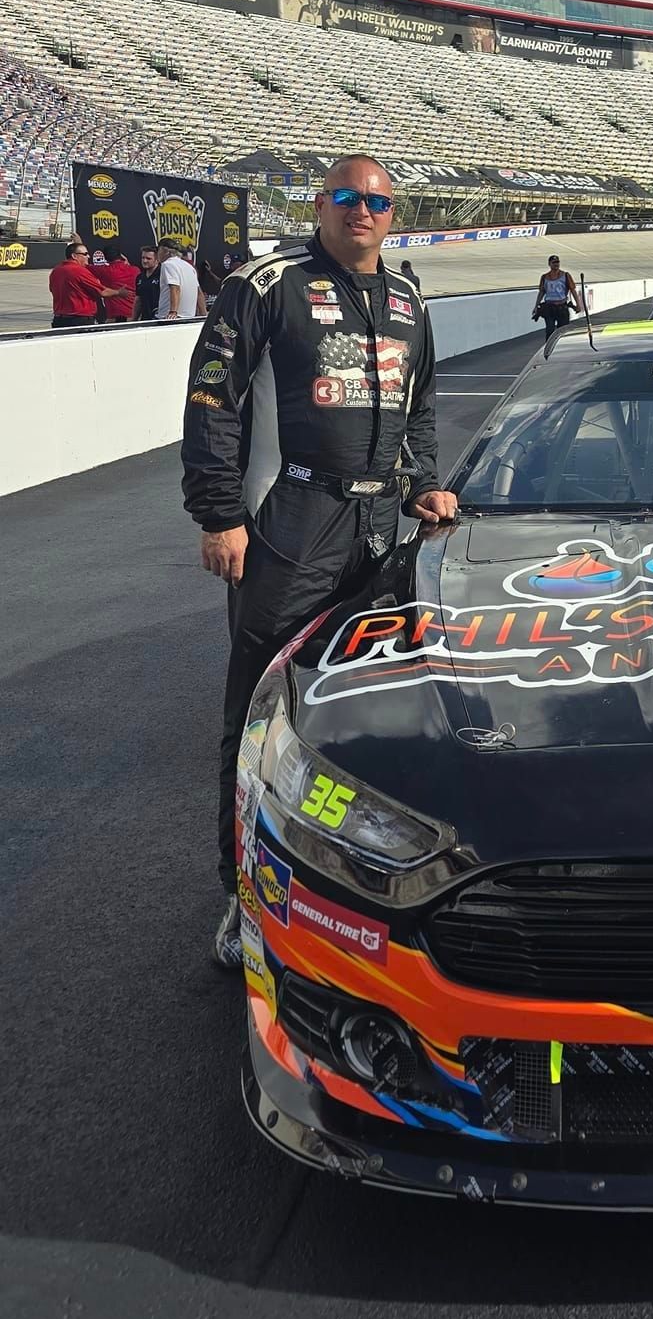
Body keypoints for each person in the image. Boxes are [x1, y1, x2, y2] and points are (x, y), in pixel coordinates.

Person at [182, 154, 456, 970]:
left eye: (375, 200)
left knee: (370, 706)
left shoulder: (407, 299)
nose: (361, 211)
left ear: (393, 213)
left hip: (380, 525)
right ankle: (240, 896)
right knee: (263, 709)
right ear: (321, 204)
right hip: (290, 519)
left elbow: (424, 401)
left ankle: (352, 889)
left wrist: (426, 484)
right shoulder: (266, 286)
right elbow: (212, 399)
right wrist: (220, 515)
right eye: (346, 197)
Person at [48, 241, 129, 328]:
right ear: (74, 256)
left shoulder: (56, 270)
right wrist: (119, 292)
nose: (88, 256)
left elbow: (52, 289)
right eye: (85, 254)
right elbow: (102, 292)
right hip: (78, 321)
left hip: (59, 320)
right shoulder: (79, 271)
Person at [533, 254, 583, 349]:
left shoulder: (566, 275)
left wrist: (578, 304)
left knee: (563, 331)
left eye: (558, 262)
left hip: (562, 307)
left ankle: (563, 349)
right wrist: (536, 306)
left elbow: (573, 290)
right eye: (554, 263)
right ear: (549, 264)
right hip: (549, 308)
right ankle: (549, 349)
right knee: (550, 330)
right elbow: (542, 292)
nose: (556, 264)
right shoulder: (544, 277)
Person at [156, 241, 202, 321]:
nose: (157, 254)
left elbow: (175, 288)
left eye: (158, 250)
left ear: (166, 252)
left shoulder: (167, 264)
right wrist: (204, 315)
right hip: (189, 317)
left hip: (170, 318)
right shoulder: (189, 266)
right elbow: (199, 293)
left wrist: (173, 312)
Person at [103, 247, 138, 322]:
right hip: (132, 317)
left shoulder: (104, 271)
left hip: (113, 319)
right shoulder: (135, 270)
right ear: (121, 256)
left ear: (105, 258)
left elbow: (83, 265)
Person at [133, 245, 163, 321]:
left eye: (148, 258)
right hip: (145, 319)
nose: (144, 261)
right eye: (143, 258)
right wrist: (133, 319)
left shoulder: (163, 274)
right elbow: (138, 300)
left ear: (157, 260)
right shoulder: (140, 277)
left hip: (160, 319)